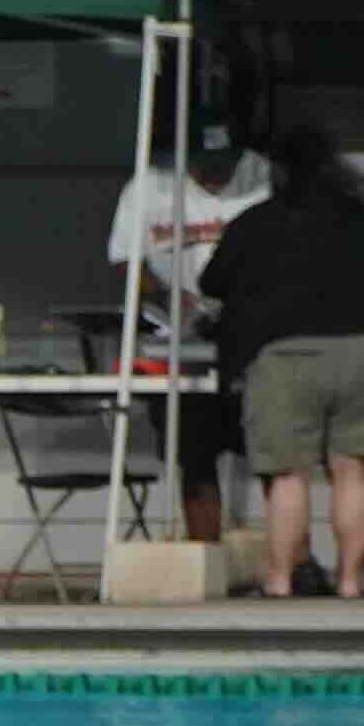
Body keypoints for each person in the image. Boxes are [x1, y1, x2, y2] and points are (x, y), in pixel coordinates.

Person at [204, 131, 364, 599]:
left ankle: (280, 580)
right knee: (352, 471)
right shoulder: (360, 220)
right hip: (363, 347)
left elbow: (213, 281)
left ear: (279, 172)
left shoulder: (256, 222)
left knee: (289, 474)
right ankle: (350, 581)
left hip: (286, 354)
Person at [104, 102, 274, 548]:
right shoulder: (149, 187)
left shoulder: (265, 177)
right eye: (206, 168)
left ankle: (288, 563)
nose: (216, 180)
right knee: (194, 456)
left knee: (275, 456)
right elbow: (127, 260)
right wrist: (166, 296)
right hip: (174, 341)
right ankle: (207, 555)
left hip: (253, 337)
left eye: (226, 167)